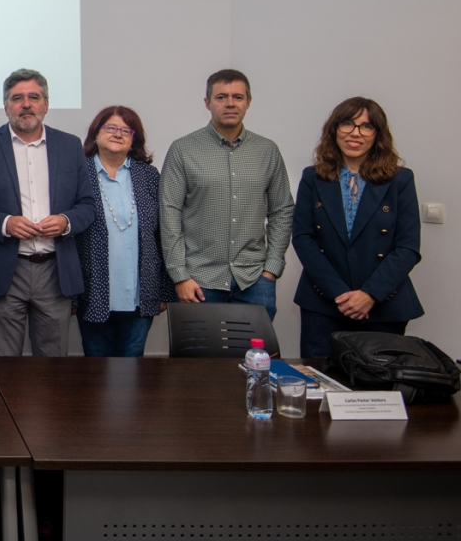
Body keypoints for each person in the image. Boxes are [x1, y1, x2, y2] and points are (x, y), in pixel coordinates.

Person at [0, 69, 98, 356]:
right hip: (4, 271)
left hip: (55, 271)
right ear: (6, 106)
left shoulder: (69, 145)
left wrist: (65, 221)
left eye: (34, 97)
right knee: (3, 363)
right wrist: (5, 223)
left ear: (45, 105)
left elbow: (87, 205)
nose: (26, 104)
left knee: (53, 364)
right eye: (17, 98)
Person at [291, 98, 421, 358]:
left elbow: (408, 247)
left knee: (378, 388)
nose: (355, 133)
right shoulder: (312, 177)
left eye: (366, 126)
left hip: (384, 305)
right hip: (324, 303)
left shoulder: (400, 180)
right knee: (321, 386)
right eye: (348, 123)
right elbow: (303, 238)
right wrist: (339, 293)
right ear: (334, 129)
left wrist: (370, 294)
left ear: (377, 135)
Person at [159, 69, 293, 321]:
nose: (230, 103)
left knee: (254, 359)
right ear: (207, 103)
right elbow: (169, 213)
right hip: (199, 280)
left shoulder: (267, 151)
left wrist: (271, 270)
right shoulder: (182, 149)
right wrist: (180, 275)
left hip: (255, 279)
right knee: (199, 359)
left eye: (238, 97)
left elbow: (282, 210)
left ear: (249, 102)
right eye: (221, 97)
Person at [74, 107, 175, 357]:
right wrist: (71, 297)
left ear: (134, 140)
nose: (117, 134)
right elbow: (68, 239)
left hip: (141, 295)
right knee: (96, 374)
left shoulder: (148, 176)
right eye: (110, 128)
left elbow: (163, 235)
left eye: (125, 130)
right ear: (95, 135)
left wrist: (164, 290)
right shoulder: (78, 173)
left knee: (132, 373)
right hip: (91, 292)